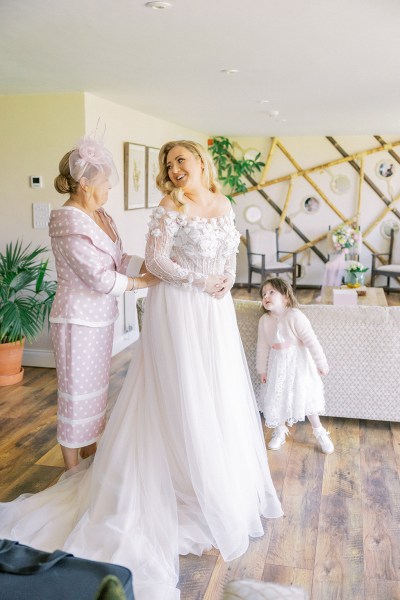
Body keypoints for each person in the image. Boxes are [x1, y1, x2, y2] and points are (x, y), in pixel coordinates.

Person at [0, 140, 283, 600]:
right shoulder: (168, 206)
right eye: (167, 163)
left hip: (215, 310)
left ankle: (210, 478)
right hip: (179, 307)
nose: (173, 169)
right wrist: (196, 279)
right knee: (178, 391)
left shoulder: (223, 202)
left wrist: (226, 277)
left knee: (216, 391)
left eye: (180, 160)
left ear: (200, 162)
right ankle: (147, 471)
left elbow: (228, 247)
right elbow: (154, 262)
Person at [50, 135, 158, 469]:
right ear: (83, 184)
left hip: (100, 319)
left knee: (95, 391)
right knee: (75, 396)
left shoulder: (101, 216)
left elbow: (117, 258)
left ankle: (90, 454)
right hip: (76, 321)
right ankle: (71, 473)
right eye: (104, 180)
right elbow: (97, 277)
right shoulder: (67, 221)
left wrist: (151, 265)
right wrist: (143, 282)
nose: (109, 185)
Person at [256, 276, 334, 454]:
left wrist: (321, 363)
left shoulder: (295, 316)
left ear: (285, 296)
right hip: (277, 366)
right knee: (280, 396)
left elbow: (311, 341)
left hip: (298, 365)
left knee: (305, 396)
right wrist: (262, 370)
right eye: (264, 294)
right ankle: (280, 430)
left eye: (271, 292)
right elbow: (262, 347)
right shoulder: (264, 321)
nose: (266, 296)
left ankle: (319, 431)